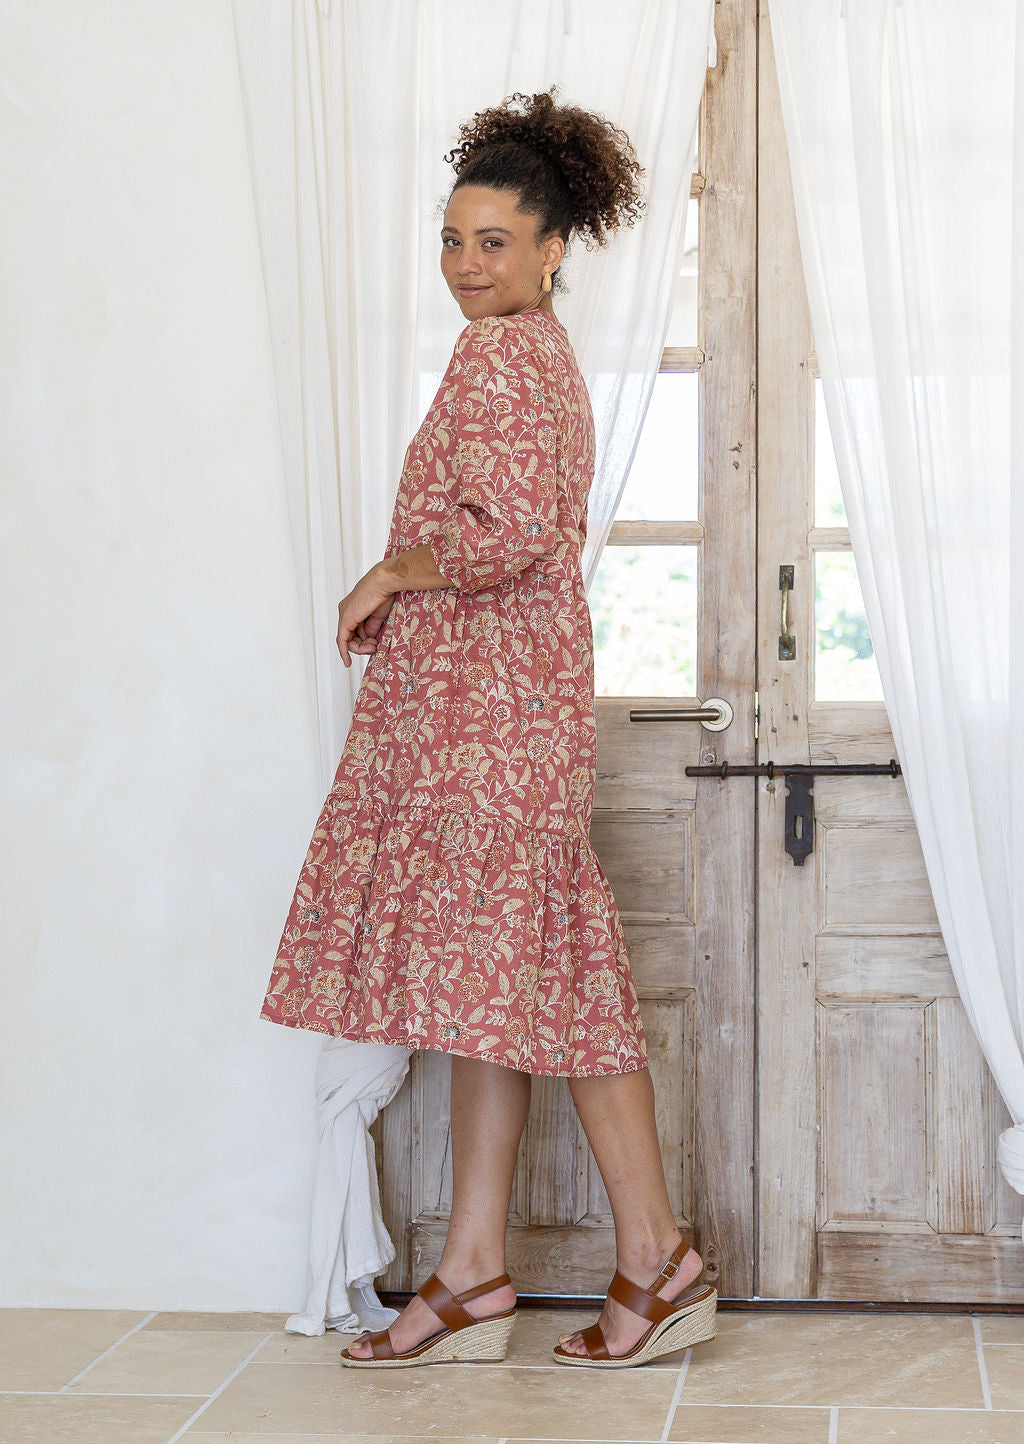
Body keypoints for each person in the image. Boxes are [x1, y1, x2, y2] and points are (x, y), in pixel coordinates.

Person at [260, 88, 717, 1369]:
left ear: (555, 247)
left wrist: (389, 573)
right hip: (499, 706)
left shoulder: (505, 356)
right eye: (452, 240)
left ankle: (649, 1256)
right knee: (498, 982)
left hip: (491, 721)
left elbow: (506, 534)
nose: (467, 265)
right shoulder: (532, 354)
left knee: (543, 978)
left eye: (495, 242)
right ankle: (477, 1269)